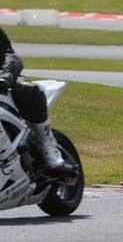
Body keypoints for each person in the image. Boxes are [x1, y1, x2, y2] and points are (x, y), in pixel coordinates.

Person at [0, 28, 71, 172]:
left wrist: (5, 76)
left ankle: (49, 148)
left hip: (3, 79)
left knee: (26, 89)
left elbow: (10, 55)